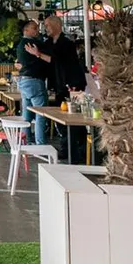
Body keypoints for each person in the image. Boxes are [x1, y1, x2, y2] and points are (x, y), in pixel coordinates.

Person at [42, 15, 88, 161]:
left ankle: (77, 149)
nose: (46, 28)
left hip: (71, 84)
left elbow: (57, 61)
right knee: (60, 118)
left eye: (48, 25)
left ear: (57, 26)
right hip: (58, 85)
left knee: (72, 118)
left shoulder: (66, 43)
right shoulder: (48, 42)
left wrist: (38, 55)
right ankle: (68, 148)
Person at [16, 19, 51, 145]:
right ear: (26, 30)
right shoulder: (32, 44)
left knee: (27, 116)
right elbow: (48, 58)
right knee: (40, 114)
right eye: (34, 28)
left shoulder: (21, 44)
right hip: (34, 81)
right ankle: (40, 144)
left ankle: (25, 141)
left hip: (24, 81)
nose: (38, 30)